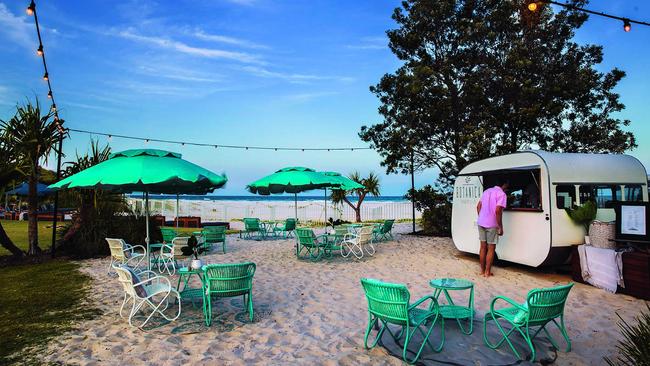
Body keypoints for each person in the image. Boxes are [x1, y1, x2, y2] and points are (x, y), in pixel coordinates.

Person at [476, 178, 509, 277]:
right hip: (492, 224)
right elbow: (498, 210)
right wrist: (500, 226)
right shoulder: (502, 194)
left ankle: (482, 271)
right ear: (504, 185)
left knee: (482, 247)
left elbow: (478, 206)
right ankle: (487, 272)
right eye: (507, 184)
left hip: (481, 222)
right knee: (491, 248)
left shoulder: (486, 191)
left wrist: (482, 217)